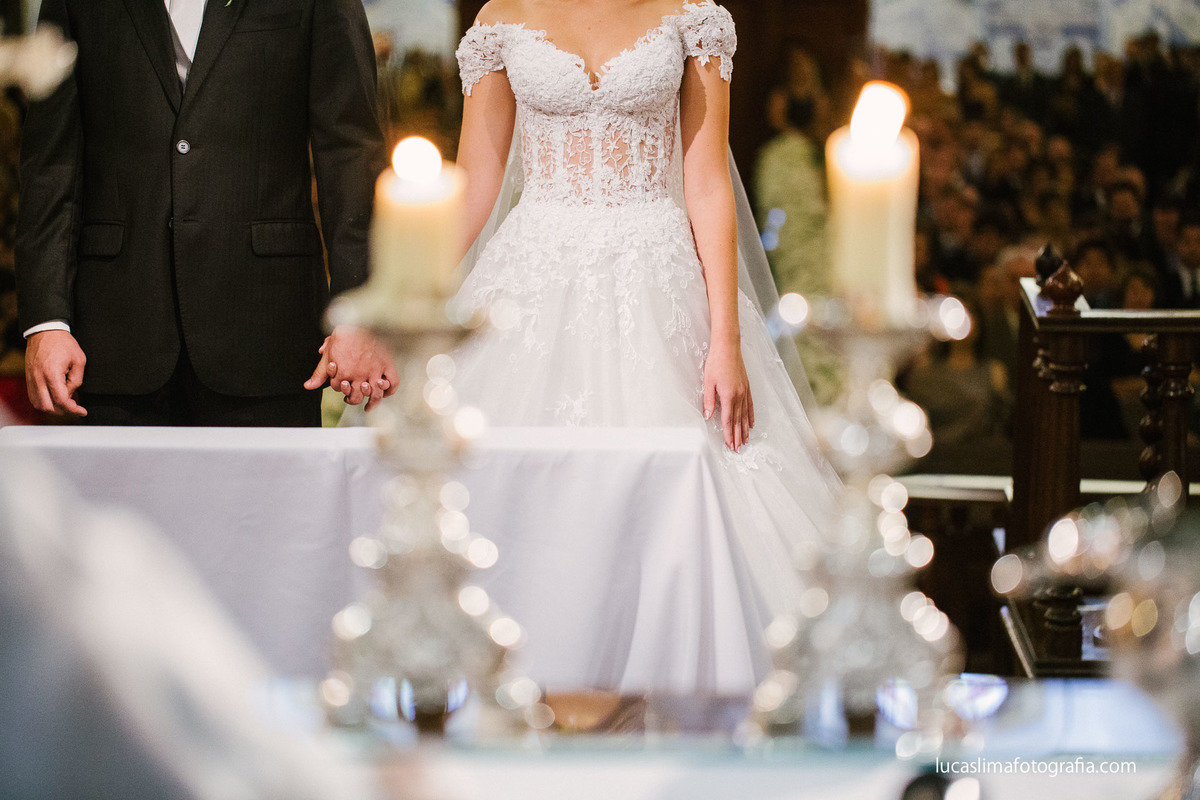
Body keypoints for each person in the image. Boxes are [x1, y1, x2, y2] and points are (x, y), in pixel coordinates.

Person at [450, 0, 838, 668]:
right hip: (530, 278)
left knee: (690, 494)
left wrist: (725, 339)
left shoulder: (692, 16)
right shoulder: (503, 14)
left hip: (659, 277)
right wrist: (396, 301)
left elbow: (707, 181)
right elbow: (474, 180)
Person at [16, 0, 396, 426]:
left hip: (267, 327)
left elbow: (350, 154)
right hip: (113, 334)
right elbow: (51, 163)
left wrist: (362, 315)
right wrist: (46, 322)